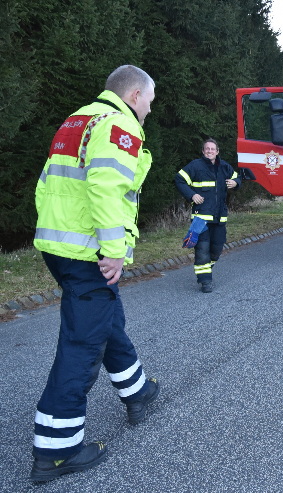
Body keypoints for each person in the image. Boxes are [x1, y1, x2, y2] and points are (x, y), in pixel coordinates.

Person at [31, 65, 160, 482]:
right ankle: (57, 450)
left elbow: (46, 183)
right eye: (150, 103)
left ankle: (137, 391)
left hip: (60, 245)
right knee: (82, 343)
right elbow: (106, 188)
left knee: (106, 319)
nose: (149, 112)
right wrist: (114, 249)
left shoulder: (79, 118)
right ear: (136, 95)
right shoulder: (120, 125)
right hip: (90, 250)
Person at [175, 139, 241, 293]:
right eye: (207, 149)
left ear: (217, 151)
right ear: (203, 151)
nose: (210, 151)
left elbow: (237, 178)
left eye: (213, 149)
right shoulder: (195, 166)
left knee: (216, 250)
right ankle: (205, 281)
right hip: (201, 217)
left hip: (220, 217)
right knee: (202, 249)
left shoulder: (224, 166)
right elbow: (179, 180)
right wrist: (192, 195)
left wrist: (236, 183)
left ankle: (204, 268)